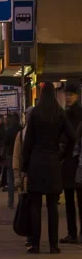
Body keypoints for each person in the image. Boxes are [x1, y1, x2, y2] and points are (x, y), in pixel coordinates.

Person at [22, 82, 76, 254]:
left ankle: (36, 244)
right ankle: (53, 245)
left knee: (36, 205)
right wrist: (62, 153)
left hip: (36, 164)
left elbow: (28, 142)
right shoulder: (59, 113)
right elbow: (73, 137)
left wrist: (24, 166)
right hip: (53, 163)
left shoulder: (36, 113)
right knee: (52, 205)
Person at [60, 82, 82, 243]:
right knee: (69, 200)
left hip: (77, 162)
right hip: (69, 163)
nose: (68, 98)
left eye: (71, 95)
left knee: (79, 200)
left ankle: (76, 233)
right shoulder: (64, 115)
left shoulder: (78, 115)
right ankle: (72, 233)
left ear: (77, 96)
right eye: (67, 95)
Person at [13, 106, 34, 247]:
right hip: (24, 177)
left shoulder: (38, 133)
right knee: (26, 208)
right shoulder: (21, 135)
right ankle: (29, 235)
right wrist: (16, 176)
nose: (28, 118)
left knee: (33, 208)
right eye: (27, 116)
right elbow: (16, 156)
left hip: (35, 176)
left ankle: (32, 236)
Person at [3, 112, 23, 208]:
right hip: (20, 157)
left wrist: (4, 157)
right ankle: (20, 201)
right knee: (19, 179)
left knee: (10, 179)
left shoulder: (9, 130)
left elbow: (5, 144)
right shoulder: (21, 129)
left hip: (10, 156)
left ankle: (10, 202)